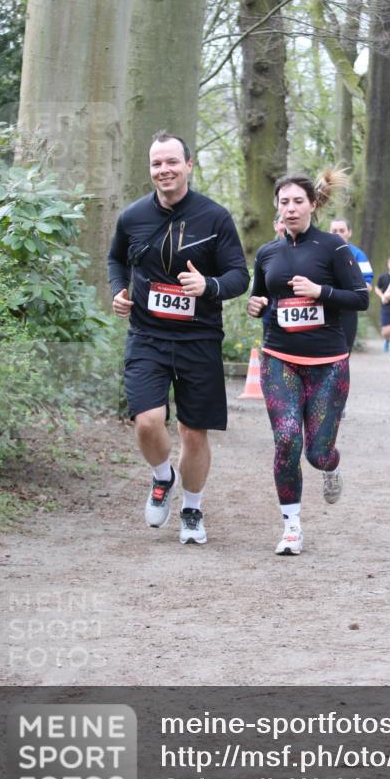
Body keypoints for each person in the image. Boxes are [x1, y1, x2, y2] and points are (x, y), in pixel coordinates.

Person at [108, 131, 249, 545]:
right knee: (147, 421)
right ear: (150, 169)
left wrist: (208, 286)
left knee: (193, 431)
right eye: (156, 163)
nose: (164, 170)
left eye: (172, 162)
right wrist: (118, 290)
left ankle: (192, 508)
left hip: (199, 338)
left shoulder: (215, 217)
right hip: (147, 335)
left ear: (189, 165)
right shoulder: (132, 216)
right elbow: (116, 258)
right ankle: (161, 476)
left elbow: (239, 276)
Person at [247, 169, 369, 556]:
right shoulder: (267, 253)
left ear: (313, 205)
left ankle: (331, 465)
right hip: (279, 359)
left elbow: (361, 298)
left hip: (328, 363)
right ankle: (291, 527)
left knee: (317, 453)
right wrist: (255, 305)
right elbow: (260, 297)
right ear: (277, 208)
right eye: (284, 202)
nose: (291, 208)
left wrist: (321, 291)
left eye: (298, 201)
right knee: (286, 440)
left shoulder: (334, 247)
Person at [328, 218, 373, 353]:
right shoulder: (320, 252)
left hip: (348, 309)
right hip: (324, 308)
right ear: (329, 232)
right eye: (334, 231)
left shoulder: (358, 255)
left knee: (345, 351)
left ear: (349, 232)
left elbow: (368, 286)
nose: (338, 234)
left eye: (342, 230)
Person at [375, 256, 390, 362]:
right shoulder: (383, 277)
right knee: (387, 331)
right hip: (386, 306)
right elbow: (377, 288)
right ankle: (386, 339)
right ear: (388, 265)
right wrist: (382, 297)